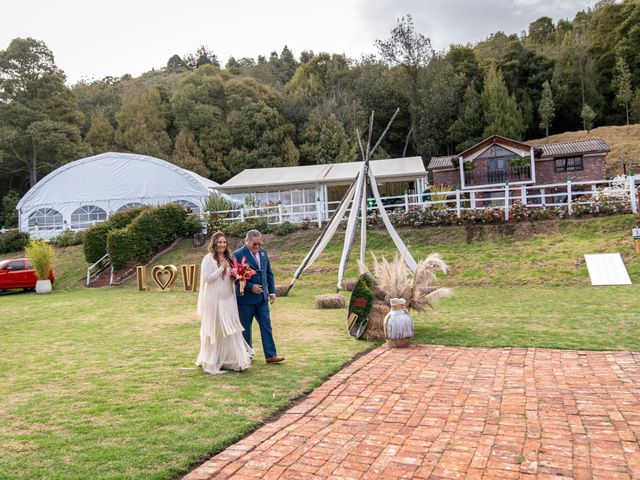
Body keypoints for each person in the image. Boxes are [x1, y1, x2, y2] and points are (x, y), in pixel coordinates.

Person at [196, 231, 253, 374]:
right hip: (214, 301)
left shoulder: (229, 258)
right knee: (217, 329)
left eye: (224, 242)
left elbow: (229, 278)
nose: (222, 245)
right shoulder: (208, 259)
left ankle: (238, 360)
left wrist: (238, 275)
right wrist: (221, 268)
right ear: (214, 243)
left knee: (231, 329)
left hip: (228, 299)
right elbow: (208, 279)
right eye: (219, 242)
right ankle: (213, 359)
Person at [233, 229, 284, 363]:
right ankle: (246, 355)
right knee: (245, 328)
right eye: (254, 244)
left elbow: (268, 273)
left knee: (266, 325)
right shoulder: (238, 255)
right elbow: (235, 278)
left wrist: (271, 292)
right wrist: (250, 287)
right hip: (245, 300)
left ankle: (270, 355)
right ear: (246, 241)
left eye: (259, 244)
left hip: (262, 299)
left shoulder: (263, 253)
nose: (257, 247)